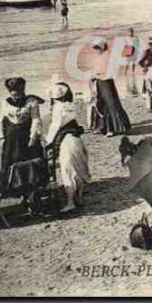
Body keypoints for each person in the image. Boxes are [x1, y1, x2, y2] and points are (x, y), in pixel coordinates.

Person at [45, 80, 90, 213]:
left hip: (66, 142)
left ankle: (71, 202)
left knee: (68, 170)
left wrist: (48, 142)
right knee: (80, 168)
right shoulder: (70, 105)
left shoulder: (58, 108)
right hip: (75, 139)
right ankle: (79, 198)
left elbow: (55, 127)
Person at [0, 77, 44, 196]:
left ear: (22, 92)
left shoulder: (31, 101)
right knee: (10, 162)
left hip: (26, 136)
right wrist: (2, 137)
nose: (15, 97)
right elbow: (1, 120)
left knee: (29, 162)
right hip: (11, 138)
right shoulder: (6, 102)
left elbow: (36, 119)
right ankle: (12, 189)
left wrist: (33, 137)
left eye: (17, 95)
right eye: (13, 95)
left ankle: (30, 187)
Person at [89, 39, 132, 136]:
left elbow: (110, 73)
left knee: (110, 104)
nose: (96, 50)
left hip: (106, 83)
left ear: (102, 47)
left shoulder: (107, 57)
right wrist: (95, 76)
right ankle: (103, 127)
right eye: (95, 48)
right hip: (100, 83)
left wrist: (98, 75)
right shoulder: (100, 57)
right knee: (102, 104)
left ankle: (113, 128)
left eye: (97, 48)